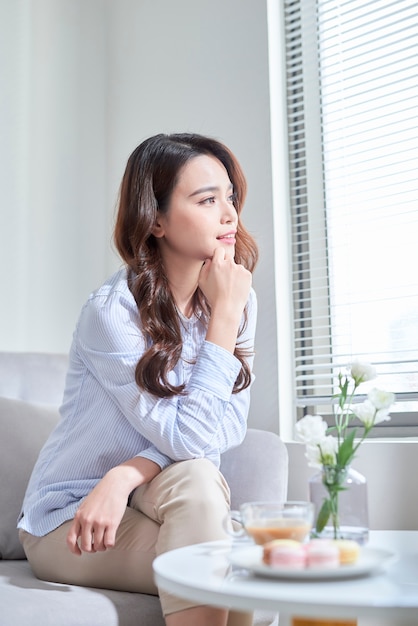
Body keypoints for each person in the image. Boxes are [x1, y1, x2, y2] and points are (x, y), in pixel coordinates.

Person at [18, 132, 259, 626]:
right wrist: (224, 321)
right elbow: (192, 437)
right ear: (155, 219)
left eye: (229, 196)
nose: (229, 214)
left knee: (197, 484)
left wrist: (127, 473)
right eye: (207, 199)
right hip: (73, 517)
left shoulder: (236, 298)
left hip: (158, 496)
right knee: (229, 567)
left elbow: (223, 432)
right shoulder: (111, 313)